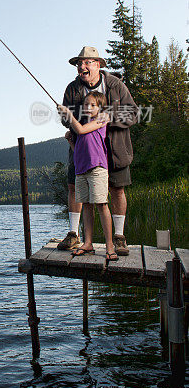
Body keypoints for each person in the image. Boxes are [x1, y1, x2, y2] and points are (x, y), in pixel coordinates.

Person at [57, 46, 138, 255]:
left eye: (86, 63)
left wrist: (109, 118)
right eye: (78, 64)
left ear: (97, 65)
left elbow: (133, 113)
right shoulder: (72, 88)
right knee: (74, 188)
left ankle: (118, 238)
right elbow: (67, 121)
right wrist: (67, 118)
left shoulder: (114, 84)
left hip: (115, 148)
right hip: (82, 149)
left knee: (117, 189)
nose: (81, 67)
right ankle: (74, 235)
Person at [58, 92, 118, 260]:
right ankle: (88, 243)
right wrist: (71, 141)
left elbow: (81, 130)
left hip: (97, 169)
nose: (88, 108)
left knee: (101, 205)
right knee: (86, 205)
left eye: (93, 105)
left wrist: (68, 115)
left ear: (100, 108)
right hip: (81, 170)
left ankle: (110, 246)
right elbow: (80, 150)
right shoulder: (83, 123)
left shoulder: (102, 119)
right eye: (86, 105)